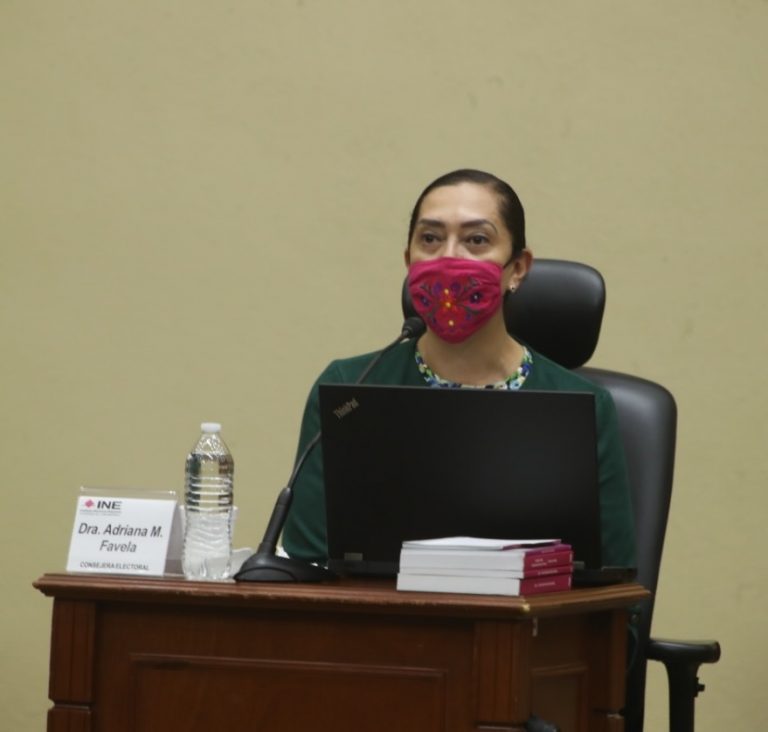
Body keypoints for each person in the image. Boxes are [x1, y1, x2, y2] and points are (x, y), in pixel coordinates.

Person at [282, 169, 636, 569]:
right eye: (430, 239)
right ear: (408, 261)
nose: (449, 257)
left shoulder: (583, 404)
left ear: (518, 268)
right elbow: (306, 566)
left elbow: (617, 590)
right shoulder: (350, 389)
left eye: (476, 240)